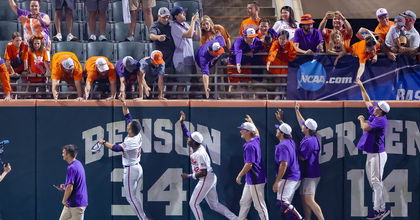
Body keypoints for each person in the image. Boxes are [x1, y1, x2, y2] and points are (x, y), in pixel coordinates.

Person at [179, 111, 238, 220]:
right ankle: (236, 219)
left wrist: (188, 176)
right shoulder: (196, 146)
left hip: (206, 178)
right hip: (209, 177)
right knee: (214, 205)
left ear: (194, 142)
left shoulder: (200, 154)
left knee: (193, 203)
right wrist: (182, 123)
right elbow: (186, 134)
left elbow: (203, 172)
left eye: (190, 138)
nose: (188, 138)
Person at [99, 98, 150, 220]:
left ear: (131, 130)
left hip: (131, 169)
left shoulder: (131, 141)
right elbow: (128, 117)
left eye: (129, 127)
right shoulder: (136, 134)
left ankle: (143, 218)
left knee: (131, 198)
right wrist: (124, 104)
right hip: (136, 167)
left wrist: (104, 142)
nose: (127, 125)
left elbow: (116, 148)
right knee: (134, 197)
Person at [355, 79, 391, 220]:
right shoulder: (376, 114)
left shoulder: (380, 120)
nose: (374, 107)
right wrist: (361, 86)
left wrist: (361, 119)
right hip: (372, 154)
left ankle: (380, 210)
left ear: (381, 111)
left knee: (376, 182)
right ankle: (379, 209)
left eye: (377, 107)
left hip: (378, 154)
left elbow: (365, 127)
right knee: (373, 183)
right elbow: (367, 101)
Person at [294, 104, 325, 220]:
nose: (302, 126)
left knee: (308, 199)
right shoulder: (310, 137)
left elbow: (302, 157)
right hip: (308, 173)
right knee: (304, 199)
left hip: (311, 174)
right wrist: (296, 110)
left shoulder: (310, 141)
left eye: (304, 126)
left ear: (307, 129)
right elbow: (302, 122)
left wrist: (292, 153)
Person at [272, 109, 303, 220]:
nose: (276, 130)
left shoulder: (283, 146)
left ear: (281, 133)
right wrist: (281, 122)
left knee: (282, 203)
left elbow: (284, 164)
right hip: (295, 176)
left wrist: (277, 181)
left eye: (278, 129)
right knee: (285, 206)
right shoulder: (290, 141)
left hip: (288, 177)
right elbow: (288, 133)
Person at [236, 115, 269, 220]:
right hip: (251, 179)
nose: (241, 131)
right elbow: (257, 133)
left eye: (242, 130)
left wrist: (239, 175)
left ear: (248, 132)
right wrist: (252, 122)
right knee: (244, 201)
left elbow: (249, 164)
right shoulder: (255, 140)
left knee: (259, 205)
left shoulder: (250, 145)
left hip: (256, 179)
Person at [171, 6, 200, 98]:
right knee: (182, 82)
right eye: (182, 13)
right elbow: (189, 34)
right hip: (181, 59)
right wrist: (193, 21)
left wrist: (197, 24)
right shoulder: (174, 26)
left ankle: (189, 100)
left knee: (193, 81)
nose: (184, 14)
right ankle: (180, 102)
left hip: (189, 57)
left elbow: (197, 36)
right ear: (176, 16)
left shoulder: (185, 24)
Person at [227, 28, 264, 97]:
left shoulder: (256, 40)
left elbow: (260, 46)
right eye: (250, 38)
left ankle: (246, 102)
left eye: (253, 37)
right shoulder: (238, 41)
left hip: (246, 63)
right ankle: (231, 102)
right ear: (244, 36)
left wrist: (253, 52)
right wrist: (238, 64)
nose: (252, 39)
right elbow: (238, 52)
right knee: (233, 85)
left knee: (246, 84)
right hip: (234, 63)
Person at [59, 144, 88, 220]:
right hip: (70, 202)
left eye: (63, 153)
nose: (62, 155)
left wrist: (64, 200)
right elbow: (72, 184)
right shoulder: (78, 163)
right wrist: (65, 186)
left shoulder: (72, 167)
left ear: (68, 154)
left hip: (77, 203)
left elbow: (70, 187)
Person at [266, 30, 296, 99]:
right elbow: (272, 52)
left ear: (287, 39)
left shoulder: (290, 44)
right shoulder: (275, 43)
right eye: (280, 38)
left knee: (285, 81)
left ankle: (285, 96)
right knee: (278, 81)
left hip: (286, 65)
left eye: (284, 39)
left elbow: (293, 55)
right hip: (277, 64)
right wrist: (269, 61)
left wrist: (285, 54)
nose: (281, 41)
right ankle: (278, 96)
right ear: (278, 38)